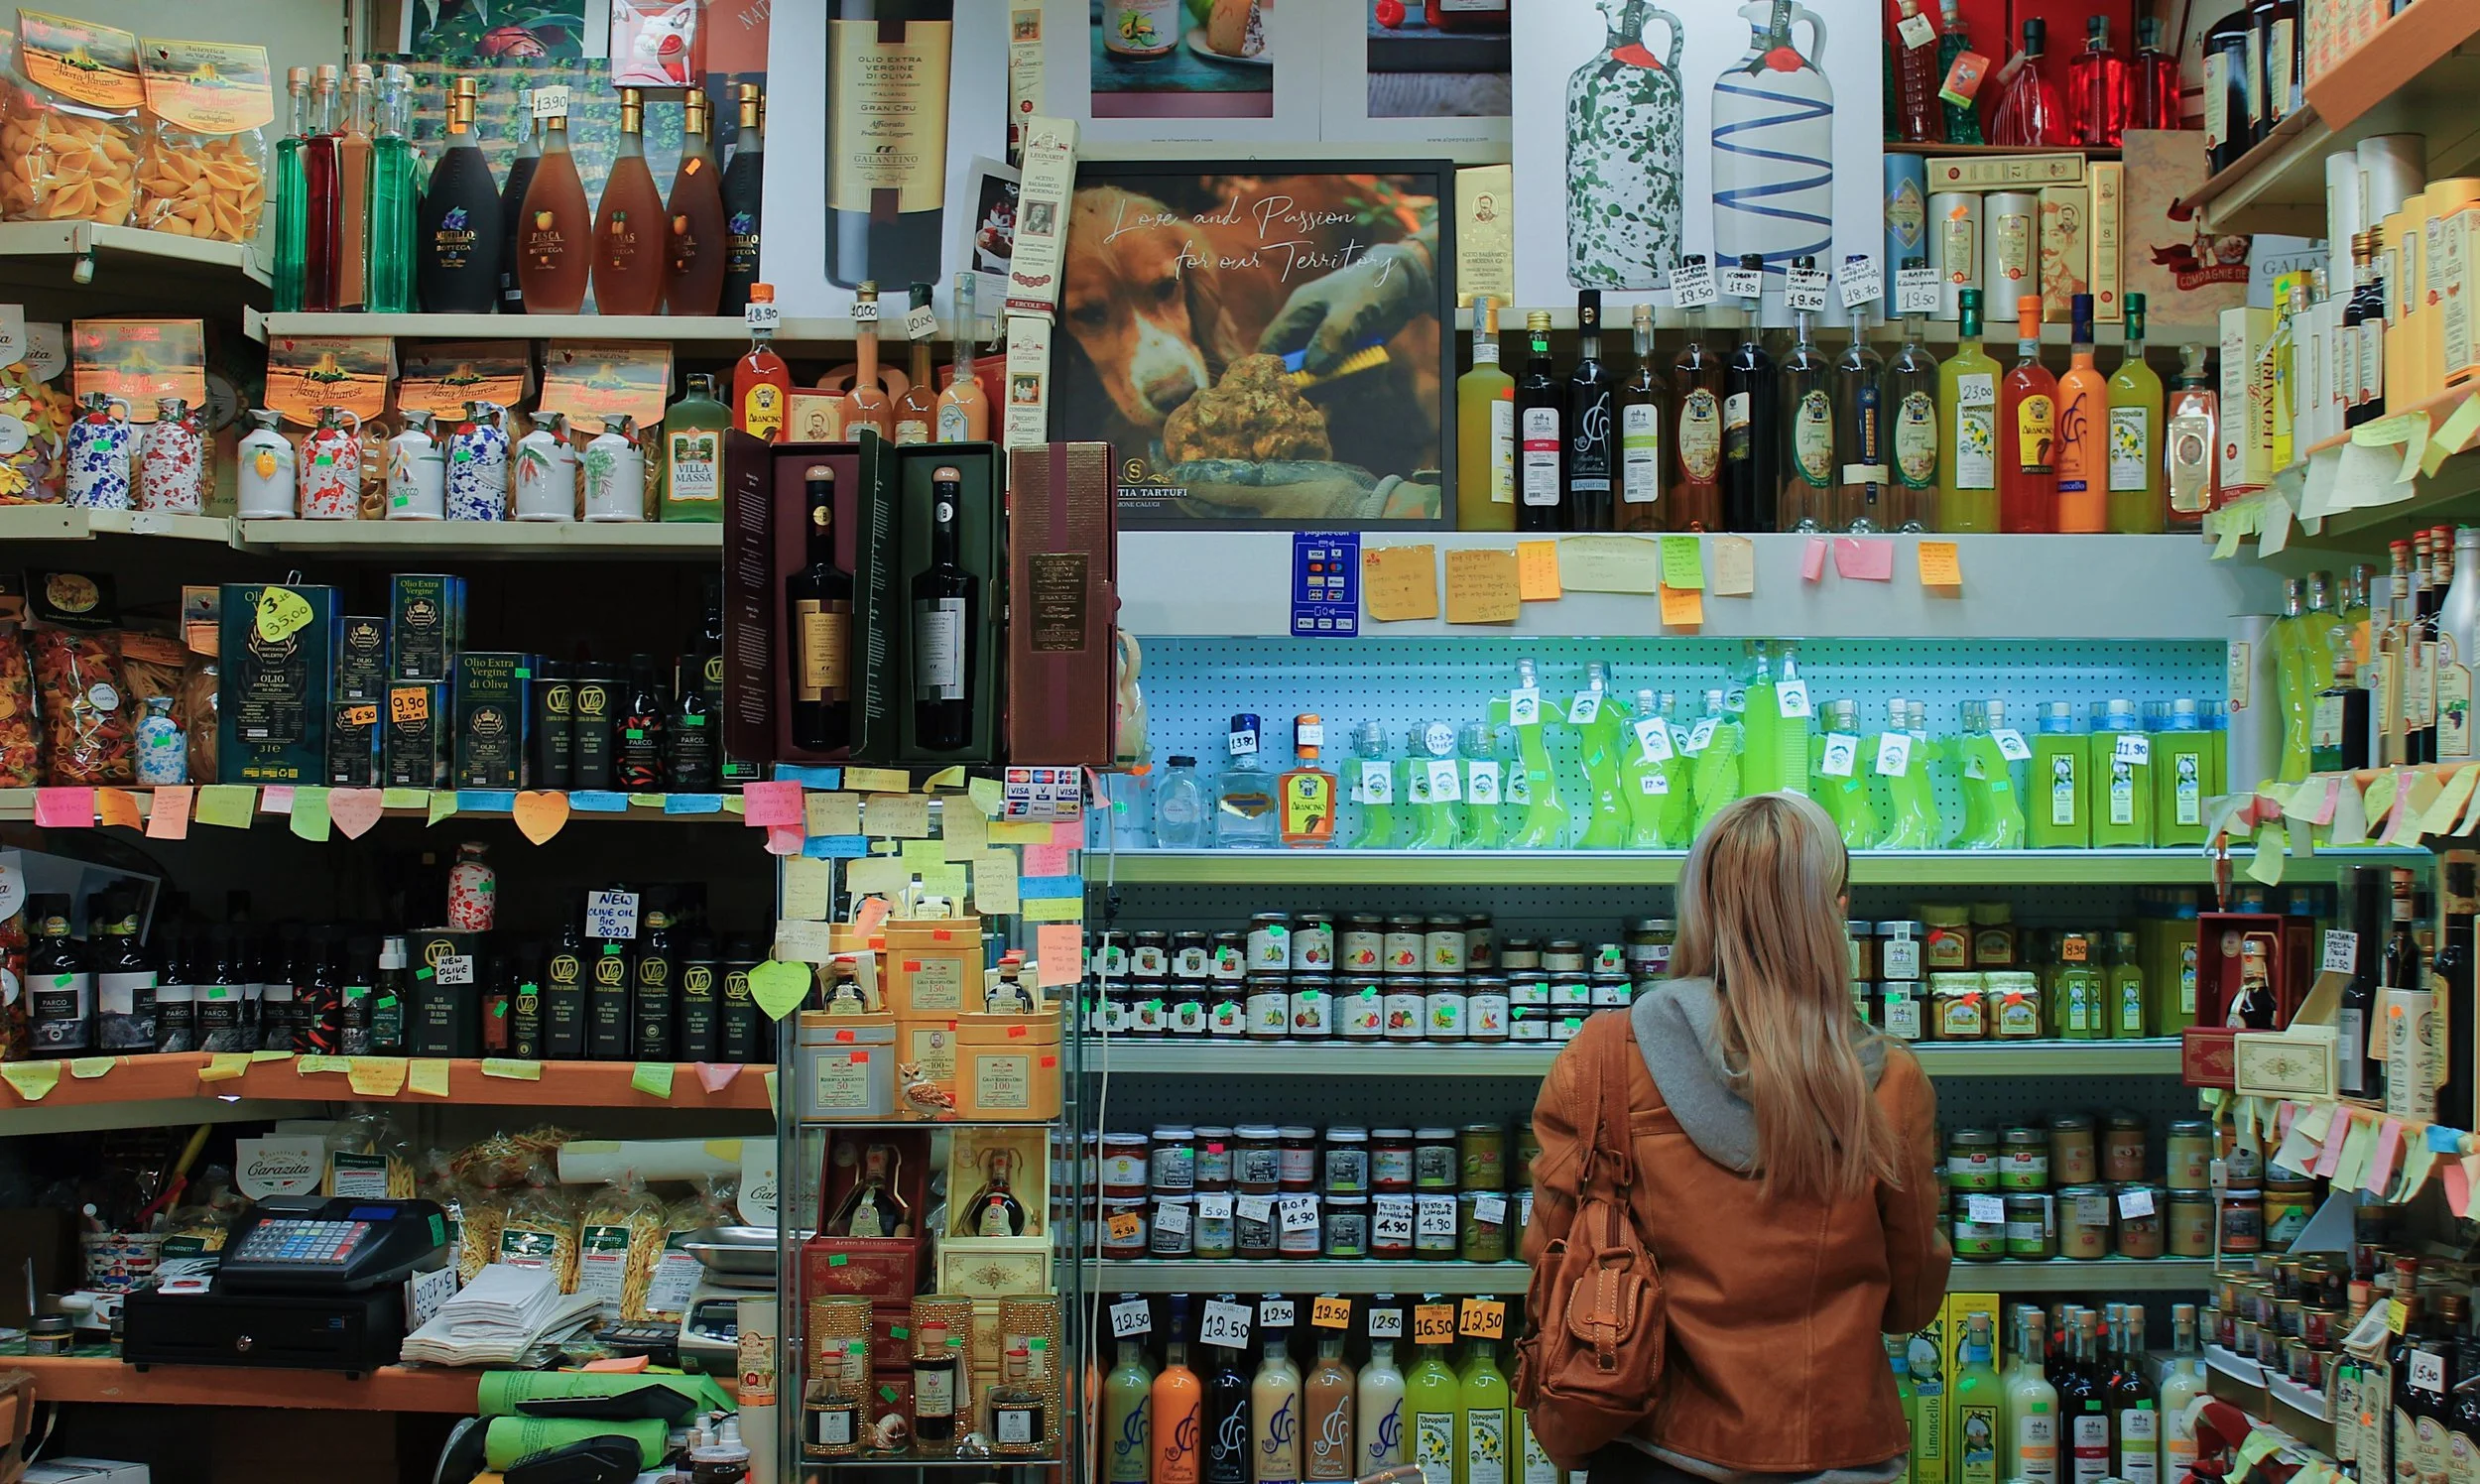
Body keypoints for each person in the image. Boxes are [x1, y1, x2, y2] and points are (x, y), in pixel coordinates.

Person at [1523, 792, 1949, 1483]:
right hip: (1835, 1447)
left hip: (1650, 1443)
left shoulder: (1603, 1062)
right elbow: (1911, 1300)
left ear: (1699, 906)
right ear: (1835, 911)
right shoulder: (1889, 1082)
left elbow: (1552, 1261)